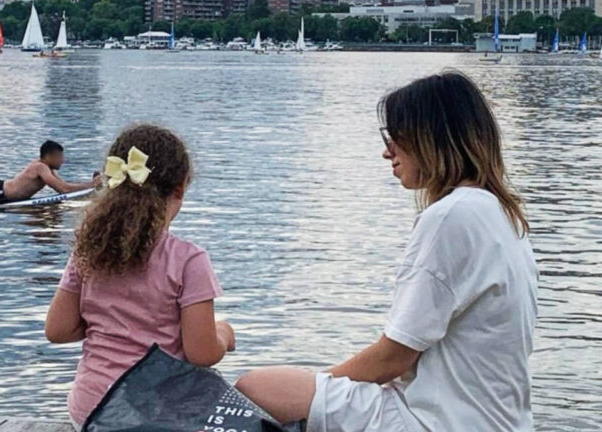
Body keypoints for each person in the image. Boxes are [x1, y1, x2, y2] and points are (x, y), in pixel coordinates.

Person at [235, 71, 539, 432]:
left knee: (257, 388)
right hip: (496, 419)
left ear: (429, 137)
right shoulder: (502, 216)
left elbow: (394, 357)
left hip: (434, 420)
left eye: (394, 137)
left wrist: (316, 388)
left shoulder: (450, 216)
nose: (386, 151)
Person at [44, 125, 236, 431]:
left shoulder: (89, 250)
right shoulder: (189, 260)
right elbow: (202, 353)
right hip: (154, 416)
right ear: (179, 190)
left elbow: (57, 330)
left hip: (88, 410)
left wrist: (110, 324)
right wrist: (223, 335)